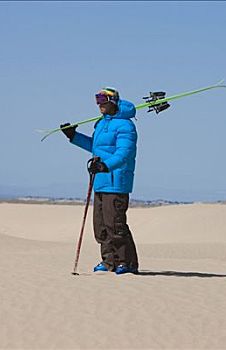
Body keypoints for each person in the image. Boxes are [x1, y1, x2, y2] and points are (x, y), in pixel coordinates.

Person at [60, 87, 139, 275]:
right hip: (100, 181)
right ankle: (108, 261)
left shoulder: (126, 125)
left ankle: (125, 263)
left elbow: (124, 153)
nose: (100, 104)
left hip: (116, 181)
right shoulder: (101, 124)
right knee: (100, 226)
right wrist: (74, 136)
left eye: (103, 99)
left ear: (114, 101)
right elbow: (96, 147)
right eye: (97, 99)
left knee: (115, 225)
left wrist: (106, 166)